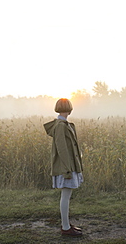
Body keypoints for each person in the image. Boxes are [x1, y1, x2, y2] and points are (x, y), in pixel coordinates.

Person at [43, 98, 84, 237]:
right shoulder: (61, 125)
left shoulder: (64, 124)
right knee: (65, 195)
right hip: (65, 166)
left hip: (69, 165)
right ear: (69, 109)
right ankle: (65, 228)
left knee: (66, 195)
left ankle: (66, 224)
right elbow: (62, 149)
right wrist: (67, 169)